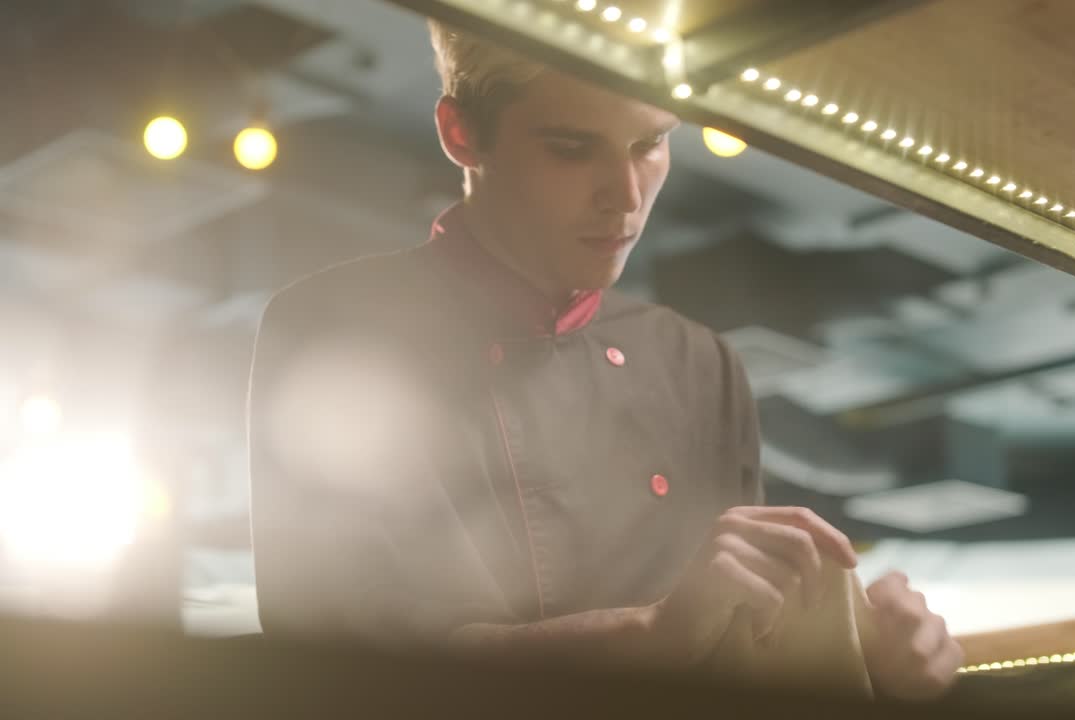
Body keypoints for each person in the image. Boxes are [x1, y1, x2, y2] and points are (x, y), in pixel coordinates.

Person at [247, 19, 963, 701]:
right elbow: (339, 665)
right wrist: (651, 634)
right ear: (462, 134)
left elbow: (749, 651)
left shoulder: (699, 363)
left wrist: (878, 653)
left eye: (650, 143)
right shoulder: (334, 327)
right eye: (571, 147)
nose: (624, 196)